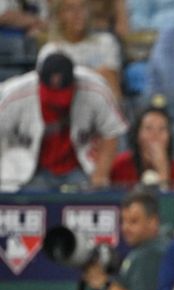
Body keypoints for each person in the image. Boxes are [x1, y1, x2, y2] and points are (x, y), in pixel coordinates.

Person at [0, 52, 127, 192]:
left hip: (79, 167)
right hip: (27, 169)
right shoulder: (14, 94)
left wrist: (100, 176)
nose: (57, 104)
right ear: (39, 83)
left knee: (87, 200)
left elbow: (111, 132)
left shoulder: (95, 89)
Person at [38, 0, 123, 98]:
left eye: (82, 7)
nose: (78, 13)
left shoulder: (106, 42)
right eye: (70, 9)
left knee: (108, 74)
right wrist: (95, 75)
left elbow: (113, 85)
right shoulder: (50, 51)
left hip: (101, 105)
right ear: (60, 15)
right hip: (66, 106)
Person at [110, 106, 174, 190]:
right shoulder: (119, 165)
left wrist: (162, 170)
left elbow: (168, 202)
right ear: (137, 135)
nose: (155, 136)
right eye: (148, 128)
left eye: (162, 129)